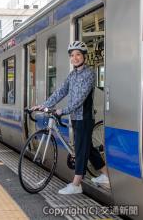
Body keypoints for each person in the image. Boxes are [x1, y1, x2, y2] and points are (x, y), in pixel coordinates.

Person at [32, 41, 109, 195]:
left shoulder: (89, 73)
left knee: (80, 150)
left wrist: (63, 110)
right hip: (75, 117)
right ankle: (106, 175)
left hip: (85, 118)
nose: (75, 58)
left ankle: (76, 184)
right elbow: (61, 91)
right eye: (72, 55)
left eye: (78, 54)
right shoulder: (72, 75)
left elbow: (80, 99)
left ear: (84, 56)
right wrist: (43, 105)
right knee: (88, 148)